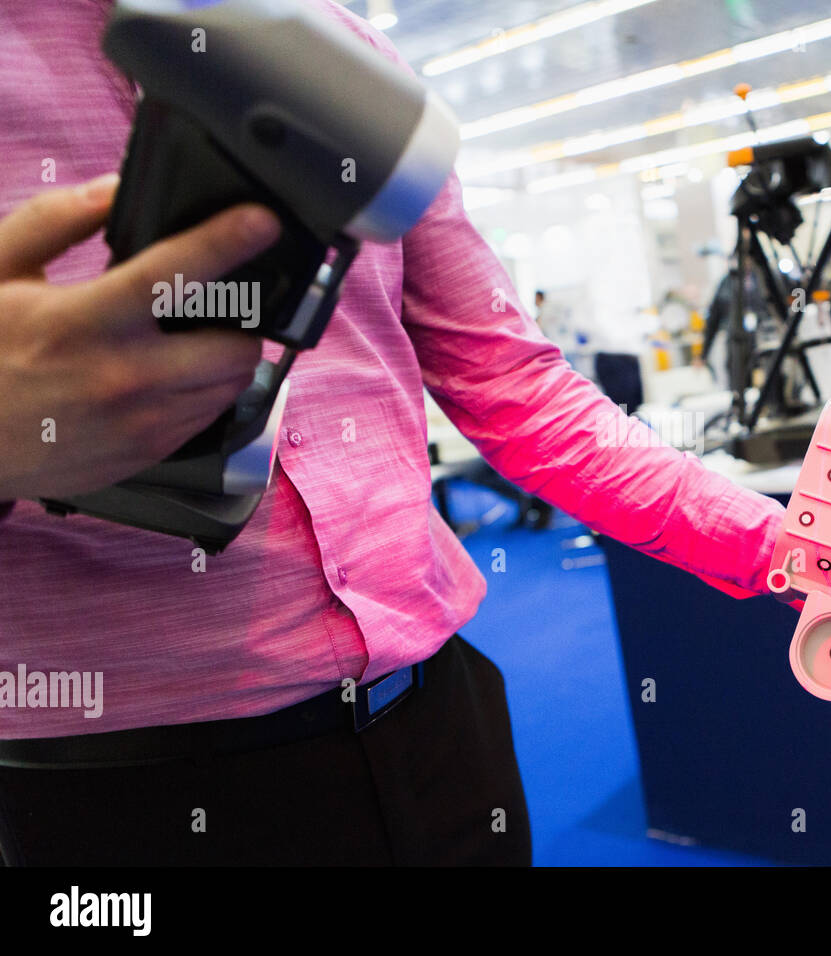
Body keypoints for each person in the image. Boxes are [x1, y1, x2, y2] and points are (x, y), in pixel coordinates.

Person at [0, 0, 785, 865]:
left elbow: (513, 382)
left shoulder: (339, 49)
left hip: (436, 727)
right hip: (120, 784)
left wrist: (791, 546)